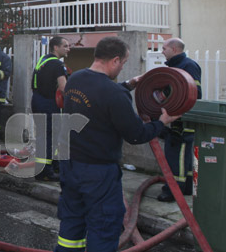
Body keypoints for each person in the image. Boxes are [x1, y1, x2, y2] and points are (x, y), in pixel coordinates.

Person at [55, 36, 179, 252]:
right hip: (97, 173)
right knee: (103, 227)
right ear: (114, 60)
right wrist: (161, 123)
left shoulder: (76, 79)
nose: (122, 67)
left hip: (70, 165)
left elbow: (97, 96)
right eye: (122, 63)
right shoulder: (113, 94)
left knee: (72, 224)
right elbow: (136, 134)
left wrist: (129, 84)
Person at [157, 38, 202, 202]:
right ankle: (187, 188)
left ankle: (172, 192)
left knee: (177, 160)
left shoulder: (188, 66)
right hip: (175, 121)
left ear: (174, 49)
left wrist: (178, 115)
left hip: (181, 123)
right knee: (184, 160)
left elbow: (194, 94)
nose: (162, 51)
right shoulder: (175, 67)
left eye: (164, 48)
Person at [31, 36, 70, 181]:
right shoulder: (57, 65)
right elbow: (64, 88)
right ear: (56, 47)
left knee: (43, 136)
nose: (68, 49)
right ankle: (45, 171)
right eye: (65, 46)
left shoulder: (43, 60)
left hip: (37, 100)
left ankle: (52, 165)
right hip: (48, 103)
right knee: (49, 137)